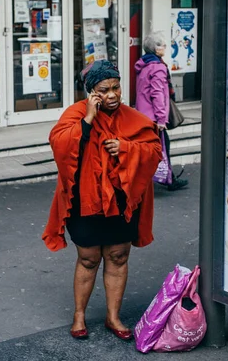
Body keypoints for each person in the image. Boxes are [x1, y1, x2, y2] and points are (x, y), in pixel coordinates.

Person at [42, 60, 162, 341]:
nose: (112, 95)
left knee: (118, 257)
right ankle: (79, 315)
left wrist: (126, 148)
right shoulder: (76, 114)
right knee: (88, 258)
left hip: (122, 203)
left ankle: (113, 317)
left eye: (116, 88)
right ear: (91, 92)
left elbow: (154, 151)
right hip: (84, 202)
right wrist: (88, 119)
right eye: (103, 90)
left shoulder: (132, 117)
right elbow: (60, 146)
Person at [134, 31, 189, 191]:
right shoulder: (157, 67)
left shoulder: (143, 65)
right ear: (156, 48)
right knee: (158, 149)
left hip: (143, 114)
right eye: (162, 45)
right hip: (153, 118)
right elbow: (157, 94)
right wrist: (161, 119)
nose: (165, 47)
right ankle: (161, 180)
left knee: (153, 148)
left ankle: (168, 178)